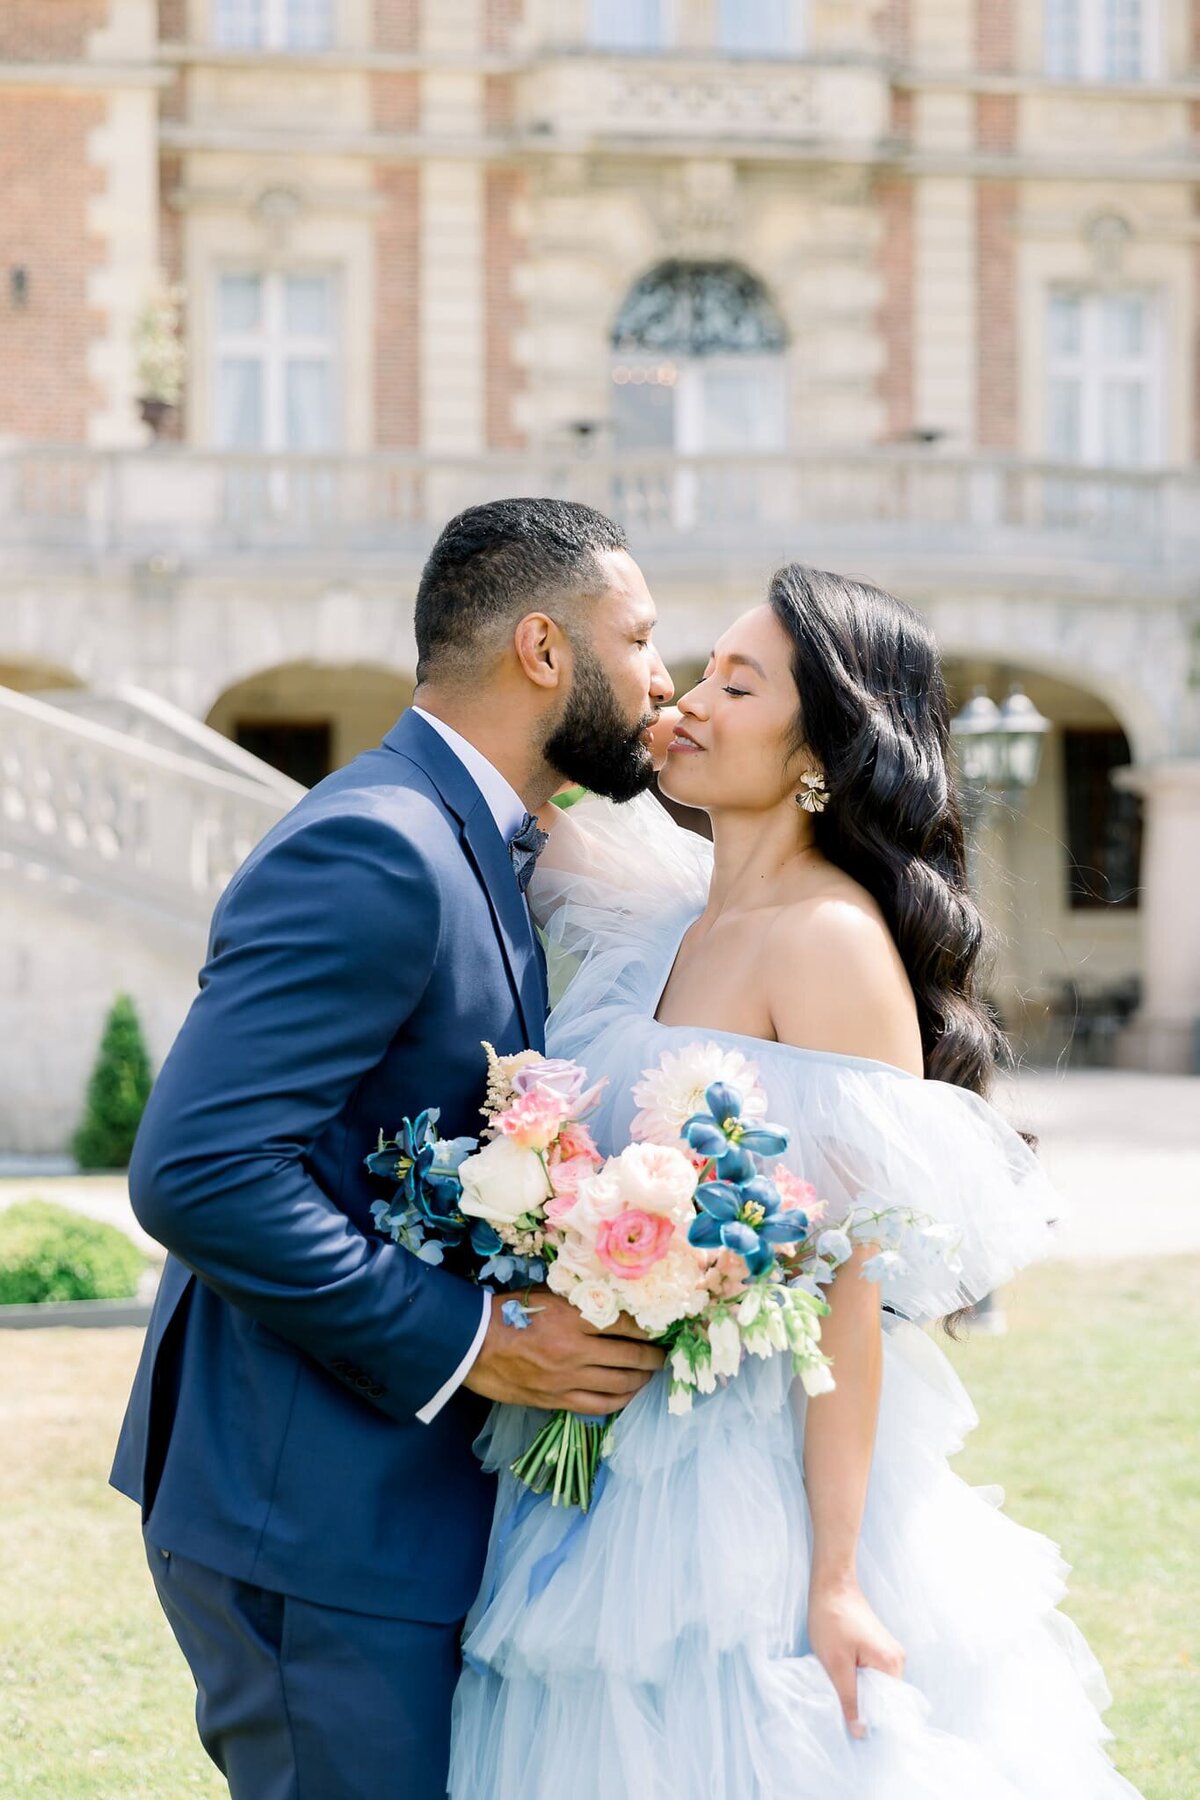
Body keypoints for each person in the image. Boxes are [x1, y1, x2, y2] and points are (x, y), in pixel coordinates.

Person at [449, 565, 1143, 1798]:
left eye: (737, 681)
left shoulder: (828, 943)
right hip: (596, 1444)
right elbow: (506, 779)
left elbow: (848, 1289)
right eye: (697, 670)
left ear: (822, 747)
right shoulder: (664, 909)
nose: (693, 700)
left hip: (741, 1484)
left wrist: (833, 1577)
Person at [110, 498, 673, 1800]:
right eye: (639, 638)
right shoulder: (378, 843)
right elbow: (200, 1170)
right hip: (309, 1516)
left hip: (386, 1514)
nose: (662, 679)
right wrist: (478, 1340)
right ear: (544, 648)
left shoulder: (486, 840)